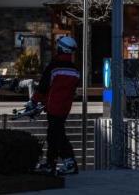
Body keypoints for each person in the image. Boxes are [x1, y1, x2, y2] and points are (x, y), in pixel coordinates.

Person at [36, 36, 80, 175]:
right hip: (64, 108)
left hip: (52, 106)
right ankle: (50, 163)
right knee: (53, 134)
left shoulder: (54, 67)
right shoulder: (75, 71)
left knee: (57, 134)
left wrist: (34, 101)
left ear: (61, 48)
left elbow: (43, 87)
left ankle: (69, 162)